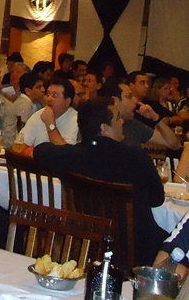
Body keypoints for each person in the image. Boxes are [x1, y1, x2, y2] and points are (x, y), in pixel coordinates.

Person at [33, 97, 166, 268]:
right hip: (137, 250)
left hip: (89, 244)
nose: (122, 122)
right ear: (104, 128)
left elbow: (40, 150)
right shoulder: (137, 158)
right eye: (117, 118)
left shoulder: (72, 156)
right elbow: (157, 199)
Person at [99, 78, 180, 150]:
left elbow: (173, 144)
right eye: (129, 96)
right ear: (115, 101)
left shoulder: (132, 124)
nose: (135, 101)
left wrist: (156, 118)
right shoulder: (103, 128)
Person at [21, 78, 78, 147]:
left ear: (67, 101)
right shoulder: (39, 114)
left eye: (55, 96)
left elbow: (66, 152)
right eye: (48, 94)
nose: (49, 99)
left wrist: (50, 125)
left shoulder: (76, 120)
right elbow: (21, 143)